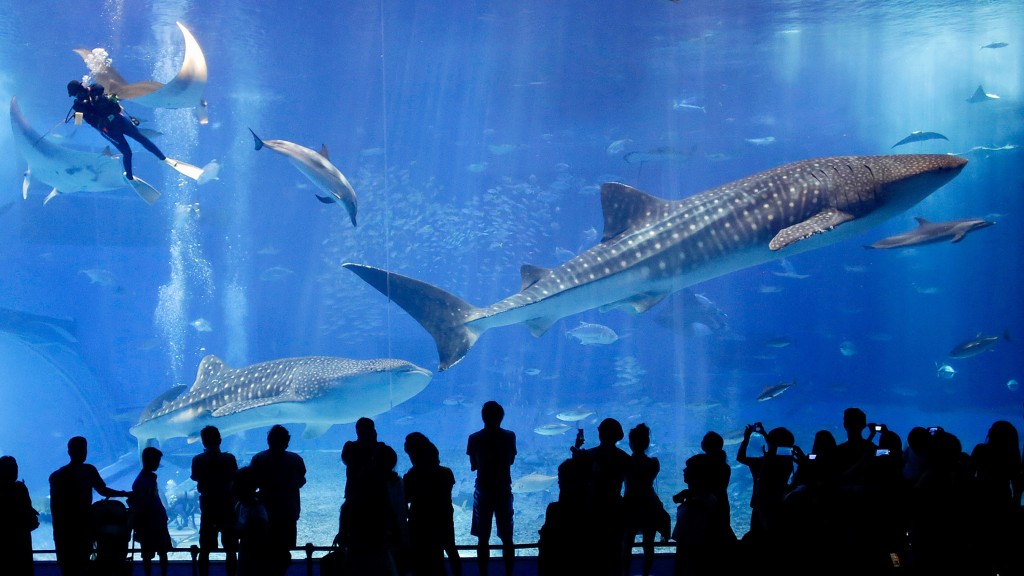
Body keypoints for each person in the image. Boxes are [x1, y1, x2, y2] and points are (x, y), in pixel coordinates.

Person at [65, 79, 203, 183]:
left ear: (81, 86)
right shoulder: (78, 105)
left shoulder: (94, 88)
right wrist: (81, 108)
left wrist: (93, 98)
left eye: (79, 90)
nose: (79, 93)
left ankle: (163, 158)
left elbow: (102, 90)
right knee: (127, 152)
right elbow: (79, 122)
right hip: (108, 129)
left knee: (141, 138)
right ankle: (129, 177)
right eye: (77, 93)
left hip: (119, 119)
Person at [49, 436, 131, 576]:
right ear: (71, 452)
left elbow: (56, 508)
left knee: (70, 565)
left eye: (84, 449)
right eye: (80, 449)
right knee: (82, 563)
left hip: (66, 528)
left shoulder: (57, 476)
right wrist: (125, 494)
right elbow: (103, 491)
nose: (83, 452)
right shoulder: (88, 471)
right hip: (81, 526)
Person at [571, 418, 632, 576]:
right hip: (615, 508)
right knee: (614, 551)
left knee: (592, 552)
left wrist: (577, 448)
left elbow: (574, 470)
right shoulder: (624, 458)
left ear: (600, 434)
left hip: (592, 509)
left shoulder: (590, 455)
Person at [466, 401, 517, 576]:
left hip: (483, 491)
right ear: (501, 417)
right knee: (507, 538)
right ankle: (509, 573)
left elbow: (473, 465)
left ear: (483, 417)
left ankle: (483, 574)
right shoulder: (510, 436)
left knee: (483, 538)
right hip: (503, 490)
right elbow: (511, 460)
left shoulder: (474, 438)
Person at [249, 425, 307, 576]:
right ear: (287, 441)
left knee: (265, 551)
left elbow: (252, 483)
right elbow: (301, 481)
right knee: (284, 552)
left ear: (268, 441)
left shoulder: (258, 459)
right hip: (288, 511)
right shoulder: (296, 459)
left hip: (265, 514)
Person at [404, 432, 461, 576]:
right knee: (451, 550)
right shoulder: (447, 473)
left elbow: (407, 499)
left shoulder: (411, 476)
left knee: (423, 560)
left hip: (420, 523)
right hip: (444, 520)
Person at [191, 425, 239, 576]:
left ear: (203, 442)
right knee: (231, 549)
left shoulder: (198, 459)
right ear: (220, 440)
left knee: (204, 549)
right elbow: (235, 478)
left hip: (208, 508)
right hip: (227, 507)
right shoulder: (229, 458)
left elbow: (195, 477)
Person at [622, 423, 669, 576]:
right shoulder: (654, 463)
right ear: (647, 443)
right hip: (649, 505)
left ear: (630, 443)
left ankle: (625, 573)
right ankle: (645, 575)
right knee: (648, 544)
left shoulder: (626, 462)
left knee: (627, 542)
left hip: (630, 505)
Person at [130, 446, 173, 576]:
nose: (158, 464)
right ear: (150, 461)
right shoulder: (143, 481)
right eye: (157, 461)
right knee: (158, 552)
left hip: (153, 520)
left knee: (151, 553)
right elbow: (144, 502)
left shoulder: (146, 478)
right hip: (151, 521)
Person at [0, 455, 38, 576]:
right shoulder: (20, 488)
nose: (16, 470)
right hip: (20, 539)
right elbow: (28, 511)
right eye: (13, 467)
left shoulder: (21, 488)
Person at [233, 466, 268, 576]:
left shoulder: (256, 508)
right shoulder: (240, 505)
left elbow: (259, 531)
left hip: (255, 553)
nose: (233, 488)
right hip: (245, 550)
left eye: (236, 485)